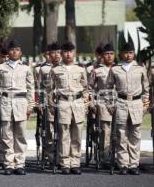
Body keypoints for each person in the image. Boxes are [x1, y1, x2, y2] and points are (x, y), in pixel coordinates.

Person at [0, 40, 34, 175]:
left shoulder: (26, 68)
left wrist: (30, 105)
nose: (14, 52)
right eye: (12, 49)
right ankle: (9, 164)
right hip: (5, 102)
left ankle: (20, 164)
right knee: (6, 135)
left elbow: (31, 88)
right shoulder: (1, 68)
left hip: (21, 102)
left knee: (20, 135)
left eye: (17, 50)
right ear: (8, 52)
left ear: (21, 53)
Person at [106, 43, 149, 175]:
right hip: (121, 102)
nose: (128, 55)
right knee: (121, 135)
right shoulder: (115, 69)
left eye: (130, 52)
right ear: (121, 54)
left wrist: (145, 104)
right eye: (126, 52)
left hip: (136, 103)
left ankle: (134, 164)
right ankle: (123, 164)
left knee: (135, 135)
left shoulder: (140, 69)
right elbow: (108, 88)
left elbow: (146, 89)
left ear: (134, 53)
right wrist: (110, 104)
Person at [48, 42, 88, 175]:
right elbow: (49, 90)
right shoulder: (55, 70)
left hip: (78, 103)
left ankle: (75, 163)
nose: (68, 54)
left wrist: (86, 105)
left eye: (71, 51)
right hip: (63, 103)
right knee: (64, 135)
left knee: (76, 135)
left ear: (74, 53)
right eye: (65, 52)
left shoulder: (80, 69)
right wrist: (51, 105)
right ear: (62, 54)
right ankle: (65, 163)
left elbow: (86, 89)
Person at [89, 43, 115, 167]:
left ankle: (120, 158)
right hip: (103, 104)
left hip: (119, 103)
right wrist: (93, 104)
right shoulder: (97, 71)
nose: (109, 56)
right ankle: (105, 157)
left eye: (111, 54)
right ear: (102, 56)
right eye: (106, 54)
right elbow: (90, 89)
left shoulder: (119, 69)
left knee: (120, 132)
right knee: (105, 132)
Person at [37, 42, 61, 163]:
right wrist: (41, 103)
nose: (56, 55)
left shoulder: (65, 68)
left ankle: (62, 156)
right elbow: (41, 88)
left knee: (62, 130)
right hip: (49, 104)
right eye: (53, 52)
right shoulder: (44, 69)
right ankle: (50, 155)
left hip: (63, 104)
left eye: (58, 52)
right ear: (49, 55)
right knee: (50, 131)